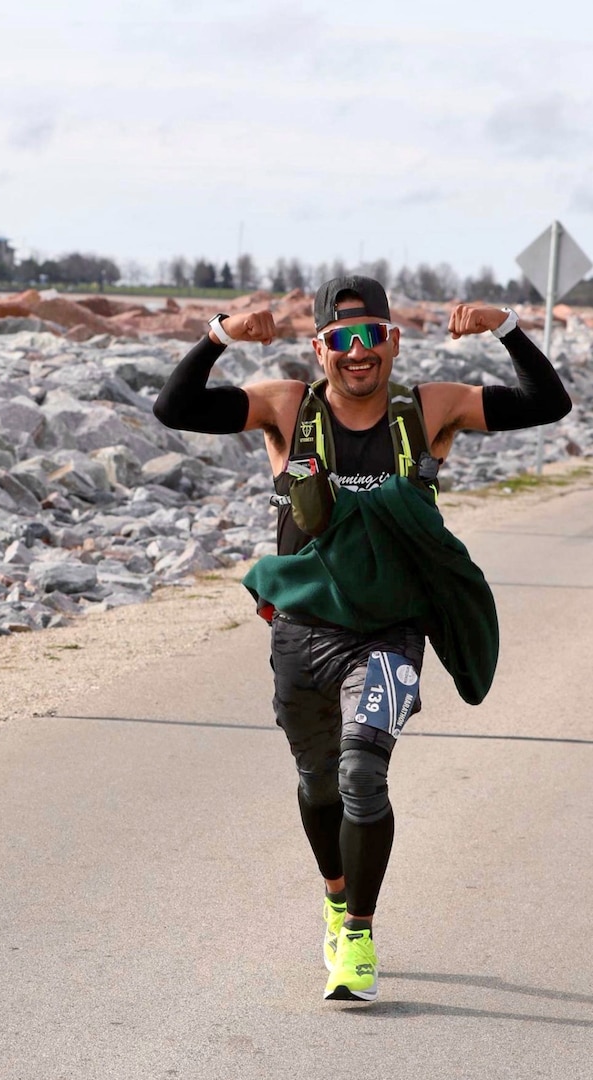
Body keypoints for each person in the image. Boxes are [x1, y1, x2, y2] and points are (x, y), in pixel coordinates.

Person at [153, 275, 572, 1003]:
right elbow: (175, 407)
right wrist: (221, 333)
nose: (356, 352)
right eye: (340, 339)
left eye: (369, 336)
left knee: (360, 775)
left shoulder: (429, 408)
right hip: (300, 633)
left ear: (392, 341)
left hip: (389, 636)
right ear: (319, 347)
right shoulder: (287, 407)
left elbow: (548, 403)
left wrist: (505, 324)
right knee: (317, 783)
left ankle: (357, 934)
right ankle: (334, 890)